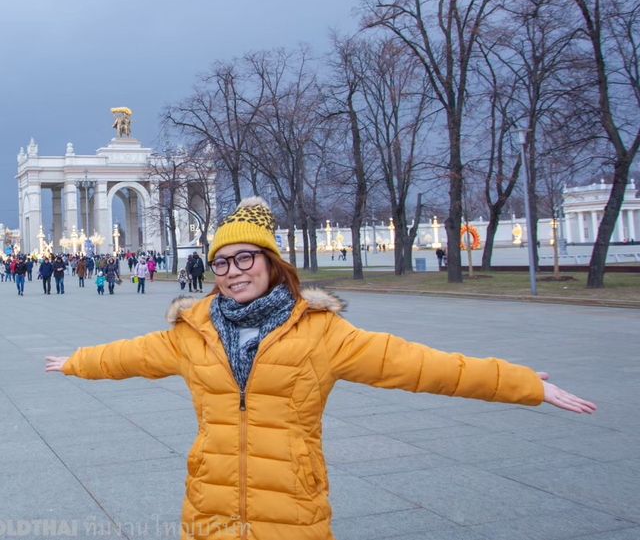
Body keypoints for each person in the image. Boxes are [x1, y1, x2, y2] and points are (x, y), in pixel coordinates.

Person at [45, 197, 596, 540]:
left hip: (292, 508)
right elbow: (132, 355)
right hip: (210, 505)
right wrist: (77, 362)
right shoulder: (195, 331)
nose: (233, 272)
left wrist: (520, 383)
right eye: (222, 263)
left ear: (271, 262)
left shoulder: (322, 332)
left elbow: (420, 366)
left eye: (245, 258)